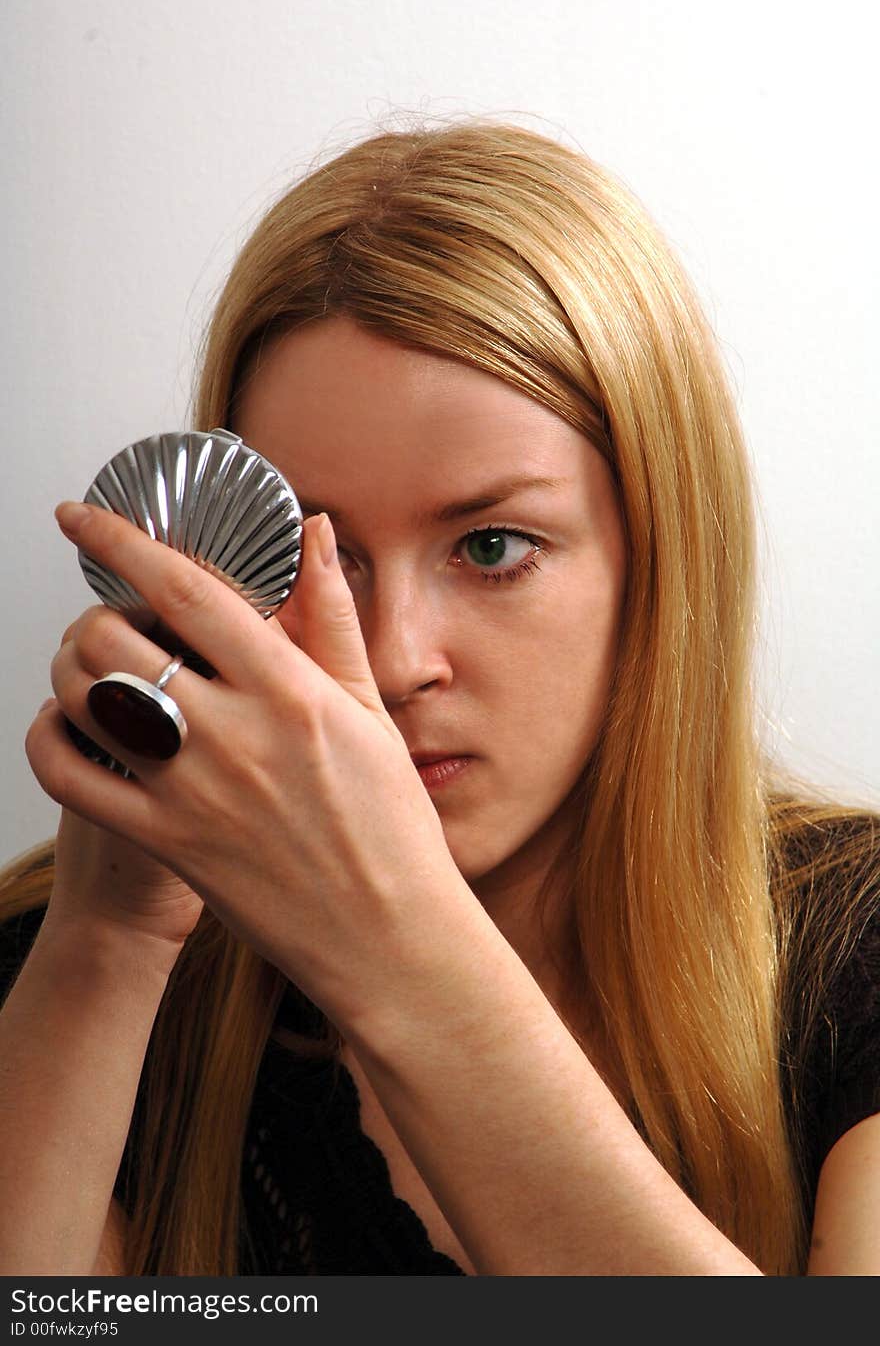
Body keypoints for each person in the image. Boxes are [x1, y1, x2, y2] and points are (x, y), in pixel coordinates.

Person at [1, 120, 878, 1279]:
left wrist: (391, 941)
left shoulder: (853, 944)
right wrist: (104, 945)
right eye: (318, 556)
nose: (399, 658)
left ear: (659, 561)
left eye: (493, 545)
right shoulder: (66, 956)